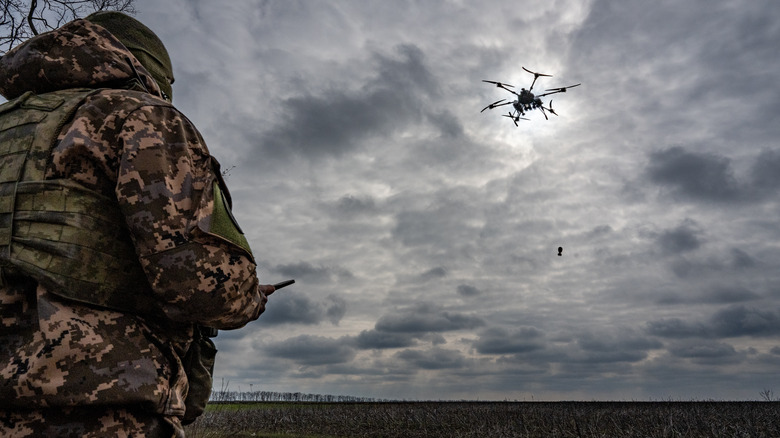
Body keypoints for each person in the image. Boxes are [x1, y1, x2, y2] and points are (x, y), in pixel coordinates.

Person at [0, 11, 275, 437]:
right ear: (145, 68)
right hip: (98, 409)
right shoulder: (141, 116)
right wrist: (250, 297)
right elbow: (200, 286)